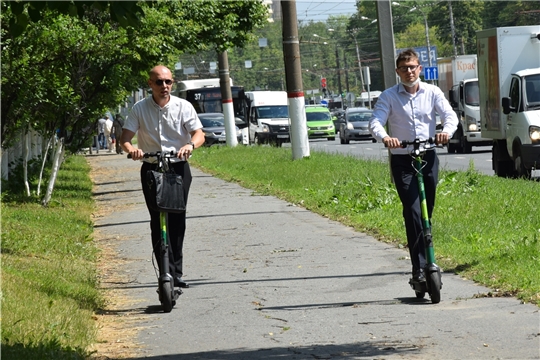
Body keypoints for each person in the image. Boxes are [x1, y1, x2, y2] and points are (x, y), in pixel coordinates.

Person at [368, 49, 458, 284]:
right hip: (403, 160)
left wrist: (446, 132)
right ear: (397, 71)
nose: (409, 71)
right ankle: (418, 268)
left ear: (420, 68)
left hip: (427, 158)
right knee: (414, 211)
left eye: (413, 67)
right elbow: (376, 121)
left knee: (426, 212)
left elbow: (450, 116)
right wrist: (385, 137)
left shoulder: (432, 92)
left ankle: (429, 261)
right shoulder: (389, 96)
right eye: (404, 68)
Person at [120, 65, 204, 289]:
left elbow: (199, 133)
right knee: (157, 220)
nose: (164, 86)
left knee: (177, 219)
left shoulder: (183, 106)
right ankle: (164, 272)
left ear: (172, 83)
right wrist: (132, 150)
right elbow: (125, 138)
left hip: (177, 168)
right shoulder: (139, 109)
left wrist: (189, 145)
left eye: (168, 82)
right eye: (159, 82)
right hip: (151, 169)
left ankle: (176, 273)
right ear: (150, 84)